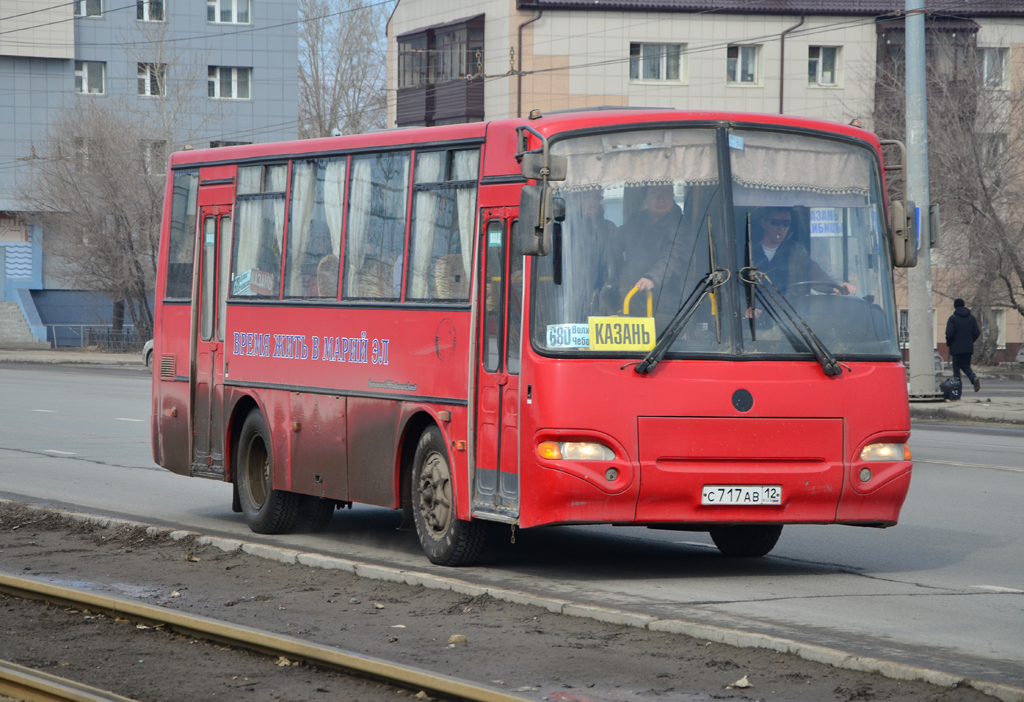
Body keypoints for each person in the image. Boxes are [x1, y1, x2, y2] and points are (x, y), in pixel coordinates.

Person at [611, 184, 692, 315]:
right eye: (654, 194)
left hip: (668, 306)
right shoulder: (636, 221)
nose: (660, 200)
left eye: (665, 194)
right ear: (646, 198)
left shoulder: (682, 226)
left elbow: (673, 257)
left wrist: (652, 278)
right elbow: (615, 245)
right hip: (634, 300)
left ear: (672, 196)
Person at [750, 206, 856, 296]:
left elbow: (812, 271)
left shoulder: (794, 250)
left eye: (786, 223)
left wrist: (837, 288)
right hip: (758, 315)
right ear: (764, 224)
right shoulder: (750, 251)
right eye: (776, 222)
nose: (781, 228)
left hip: (791, 314)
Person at [945, 298, 981, 392]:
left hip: (956, 349)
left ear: (955, 306)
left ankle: (957, 390)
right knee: (966, 366)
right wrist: (970, 341)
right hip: (968, 348)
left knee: (956, 370)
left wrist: (949, 343)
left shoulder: (953, 318)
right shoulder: (971, 318)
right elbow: (977, 332)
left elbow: (949, 334)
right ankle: (973, 378)